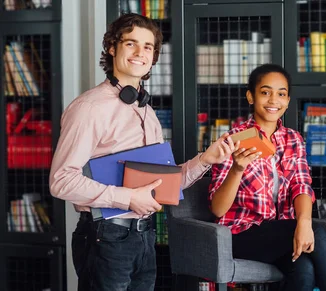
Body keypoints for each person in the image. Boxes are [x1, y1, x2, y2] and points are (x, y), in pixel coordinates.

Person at [49, 14, 235, 291]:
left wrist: (206, 159)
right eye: (131, 43)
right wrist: (128, 198)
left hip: (145, 236)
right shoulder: (89, 108)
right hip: (106, 236)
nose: (140, 53)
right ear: (112, 48)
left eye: (148, 47)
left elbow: (164, 187)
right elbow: (61, 181)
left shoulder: (145, 111)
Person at [208, 64, 326, 291]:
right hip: (239, 234)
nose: (274, 100)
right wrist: (237, 169)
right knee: (318, 233)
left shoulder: (293, 139)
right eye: (265, 92)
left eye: (281, 94)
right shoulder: (233, 140)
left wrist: (303, 223)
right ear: (250, 97)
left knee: (304, 270)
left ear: (288, 100)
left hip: (280, 233)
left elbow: (301, 185)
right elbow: (217, 209)